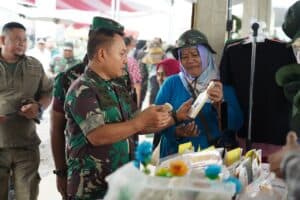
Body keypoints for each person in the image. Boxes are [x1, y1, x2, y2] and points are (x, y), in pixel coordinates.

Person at [63, 17, 172, 199]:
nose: (126, 59)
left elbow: (134, 123)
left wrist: (171, 117)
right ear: (102, 54)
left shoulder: (118, 85)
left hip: (121, 181)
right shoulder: (83, 89)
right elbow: (97, 135)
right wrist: (139, 122)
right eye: (121, 54)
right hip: (92, 188)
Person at [155, 29, 243, 158]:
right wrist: (176, 132)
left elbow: (235, 125)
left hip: (212, 160)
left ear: (206, 55)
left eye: (195, 55)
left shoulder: (222, 86)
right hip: (175, 159)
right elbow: (156, 122)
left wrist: (220, 105)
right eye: (184, 56)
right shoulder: (171, 84)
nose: (190, 60)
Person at [0, 22, 52, 200]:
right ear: (2, 40)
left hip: (26, 144)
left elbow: (47, 91)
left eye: (24, 40)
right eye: (16, 40)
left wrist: (39, 107)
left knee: (27, 195)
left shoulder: (34, 66)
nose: (21, 43)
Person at [152, 58, 181, 149]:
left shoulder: (180, 95)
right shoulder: (160, 94)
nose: (160, 78)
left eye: (164, 75)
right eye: (158, 74)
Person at [124, 36, 142, 108]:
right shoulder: (132, 61)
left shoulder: (108, 61)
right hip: (127, 100)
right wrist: (137, 106)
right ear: (128, 46)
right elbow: (137, 86)